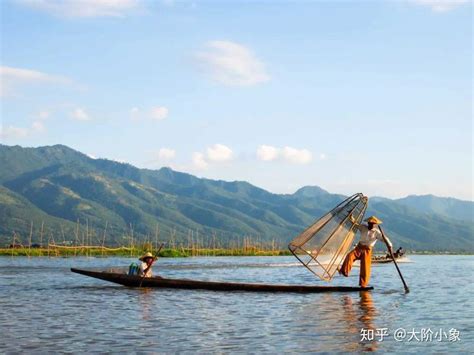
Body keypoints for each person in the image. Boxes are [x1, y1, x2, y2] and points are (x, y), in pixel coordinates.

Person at [339, 215, 392, 287]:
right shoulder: (363, 227)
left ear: (375, 224)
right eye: (370, 223)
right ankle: (345, 271)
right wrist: (351, 218)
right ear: (368, 223)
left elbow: (385, 239)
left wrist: (389, 246)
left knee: (365, 268)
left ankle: (363, 284)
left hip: (368, 249)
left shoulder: (377, 232)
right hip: (359, 247)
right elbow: (355, 224)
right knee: (350, 256)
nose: (371, 225)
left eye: (372, 224)